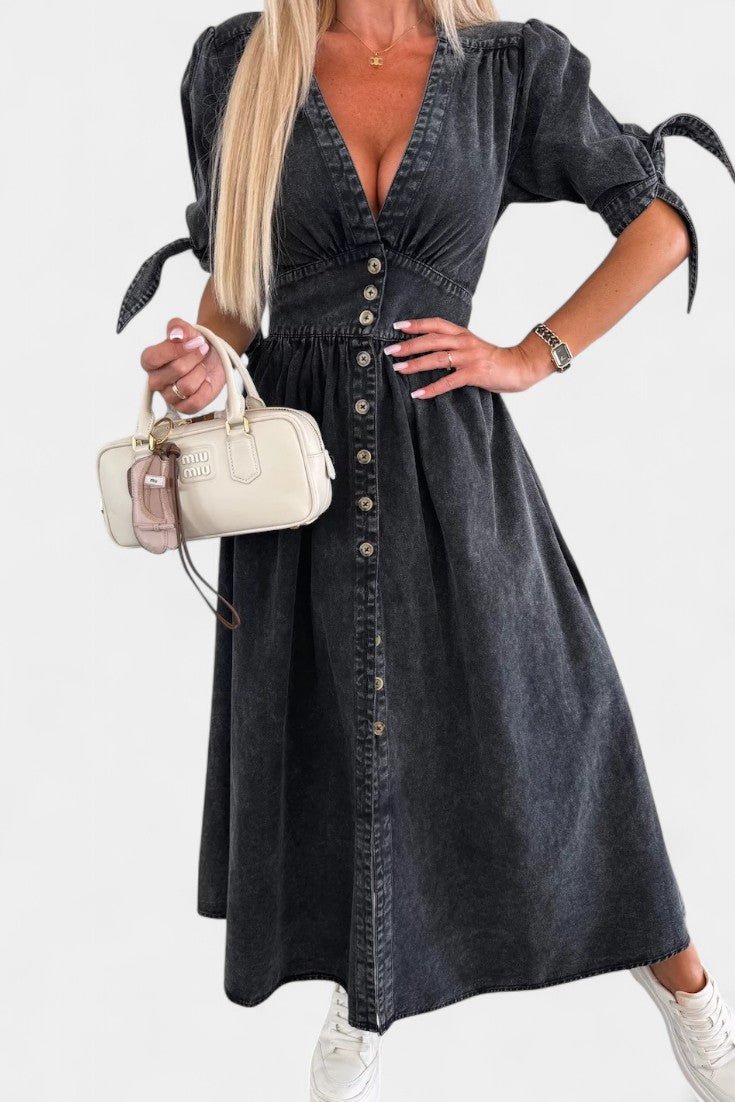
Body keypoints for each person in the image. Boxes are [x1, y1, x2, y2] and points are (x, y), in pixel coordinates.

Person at [116, 3, 735, 1099]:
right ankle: (370, 990)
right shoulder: (239, 63)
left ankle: (681, 976)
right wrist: (204, 363)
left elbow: (660, 223)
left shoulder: (509, 67)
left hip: (451, 460)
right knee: (341, 738)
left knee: (559, 724)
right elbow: (235, 299)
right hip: (300, 480)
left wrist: (532, 355)